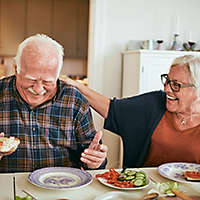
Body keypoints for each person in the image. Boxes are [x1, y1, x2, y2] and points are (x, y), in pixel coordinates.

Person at [66, 55, 200, 168]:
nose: (167, 89)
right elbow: (111, 109)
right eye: (167, 81)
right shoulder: (154, 103)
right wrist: (75, 85)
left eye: (176, 85)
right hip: (146, 191)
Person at [0, 34, 107, 173]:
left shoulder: (74, 101)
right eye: (31, 79)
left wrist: (96, 161)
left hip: (61, 188)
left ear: (58, 75)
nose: (38, 89)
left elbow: (91, 156)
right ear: (16, 69)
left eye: (47, 81)